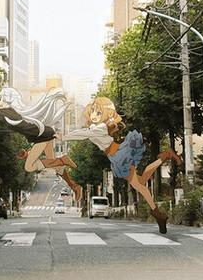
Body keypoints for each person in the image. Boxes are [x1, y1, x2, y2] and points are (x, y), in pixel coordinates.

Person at [63, 97, 182, 235]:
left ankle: (157, 213)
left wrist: (62, 137)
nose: (94, 114)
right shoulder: (95, 127)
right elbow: (84, 133)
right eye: (93, 110)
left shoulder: (101, 127)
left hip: (119, 155)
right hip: (116, 156)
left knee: (138, 185)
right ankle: (166, 156)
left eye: (99, 112)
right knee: (141, 181)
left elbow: (82, 134)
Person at [0, 87, 83, 201]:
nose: (0, 102)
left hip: (42, 137)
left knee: (29, 166)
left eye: (3, 100)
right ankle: (75, 186)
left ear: (10, 100)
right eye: (0, 100)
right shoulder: (7, 116)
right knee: (54, 165)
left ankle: (62, 159)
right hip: (45, 134)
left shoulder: (12, 112)